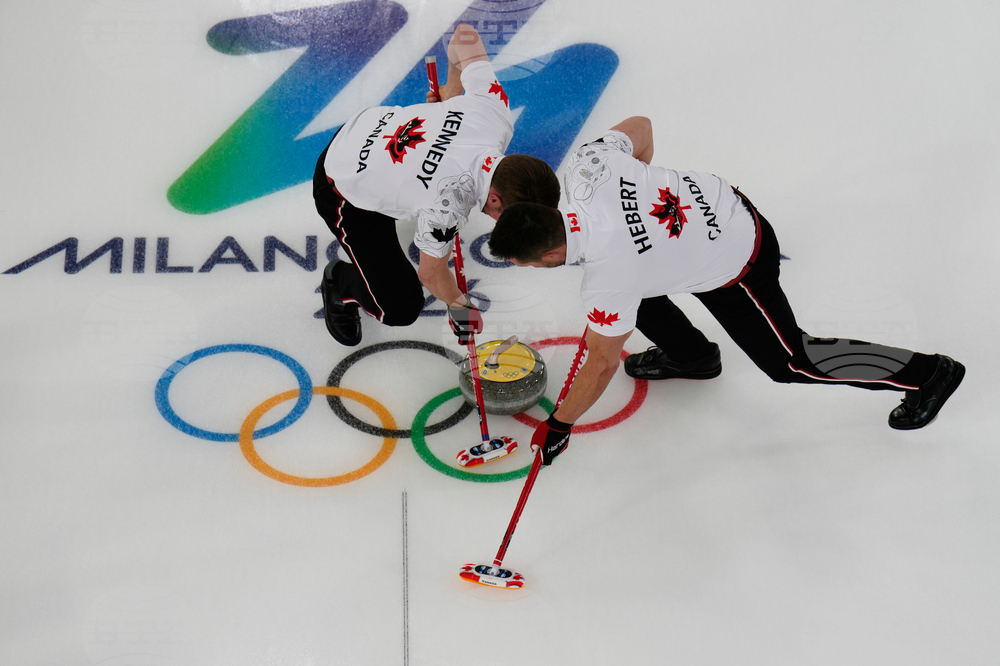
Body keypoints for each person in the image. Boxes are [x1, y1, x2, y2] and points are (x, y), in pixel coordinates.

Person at [487, 116, 964, 465]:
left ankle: (927, 374)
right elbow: (641, 127)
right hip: (713, 210)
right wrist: (647, 207)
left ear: (548, 255)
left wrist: (561, 424)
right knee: (631, 294)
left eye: (521, 262)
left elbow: (603, 361)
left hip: (739, 257)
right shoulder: (588, 169)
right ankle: (692, 356)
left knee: (790, 360)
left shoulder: (610, 279)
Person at [313, 24, 559, 347]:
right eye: (507, 218)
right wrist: (460, 305)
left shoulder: (494, 114)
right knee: (399, 307)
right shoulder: (449, 202)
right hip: (342, 184)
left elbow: (465, 36)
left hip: (369, 127)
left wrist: (454, 89)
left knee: (419, 202)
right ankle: (339, 283)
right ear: (496, 201)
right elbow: (430, 274)